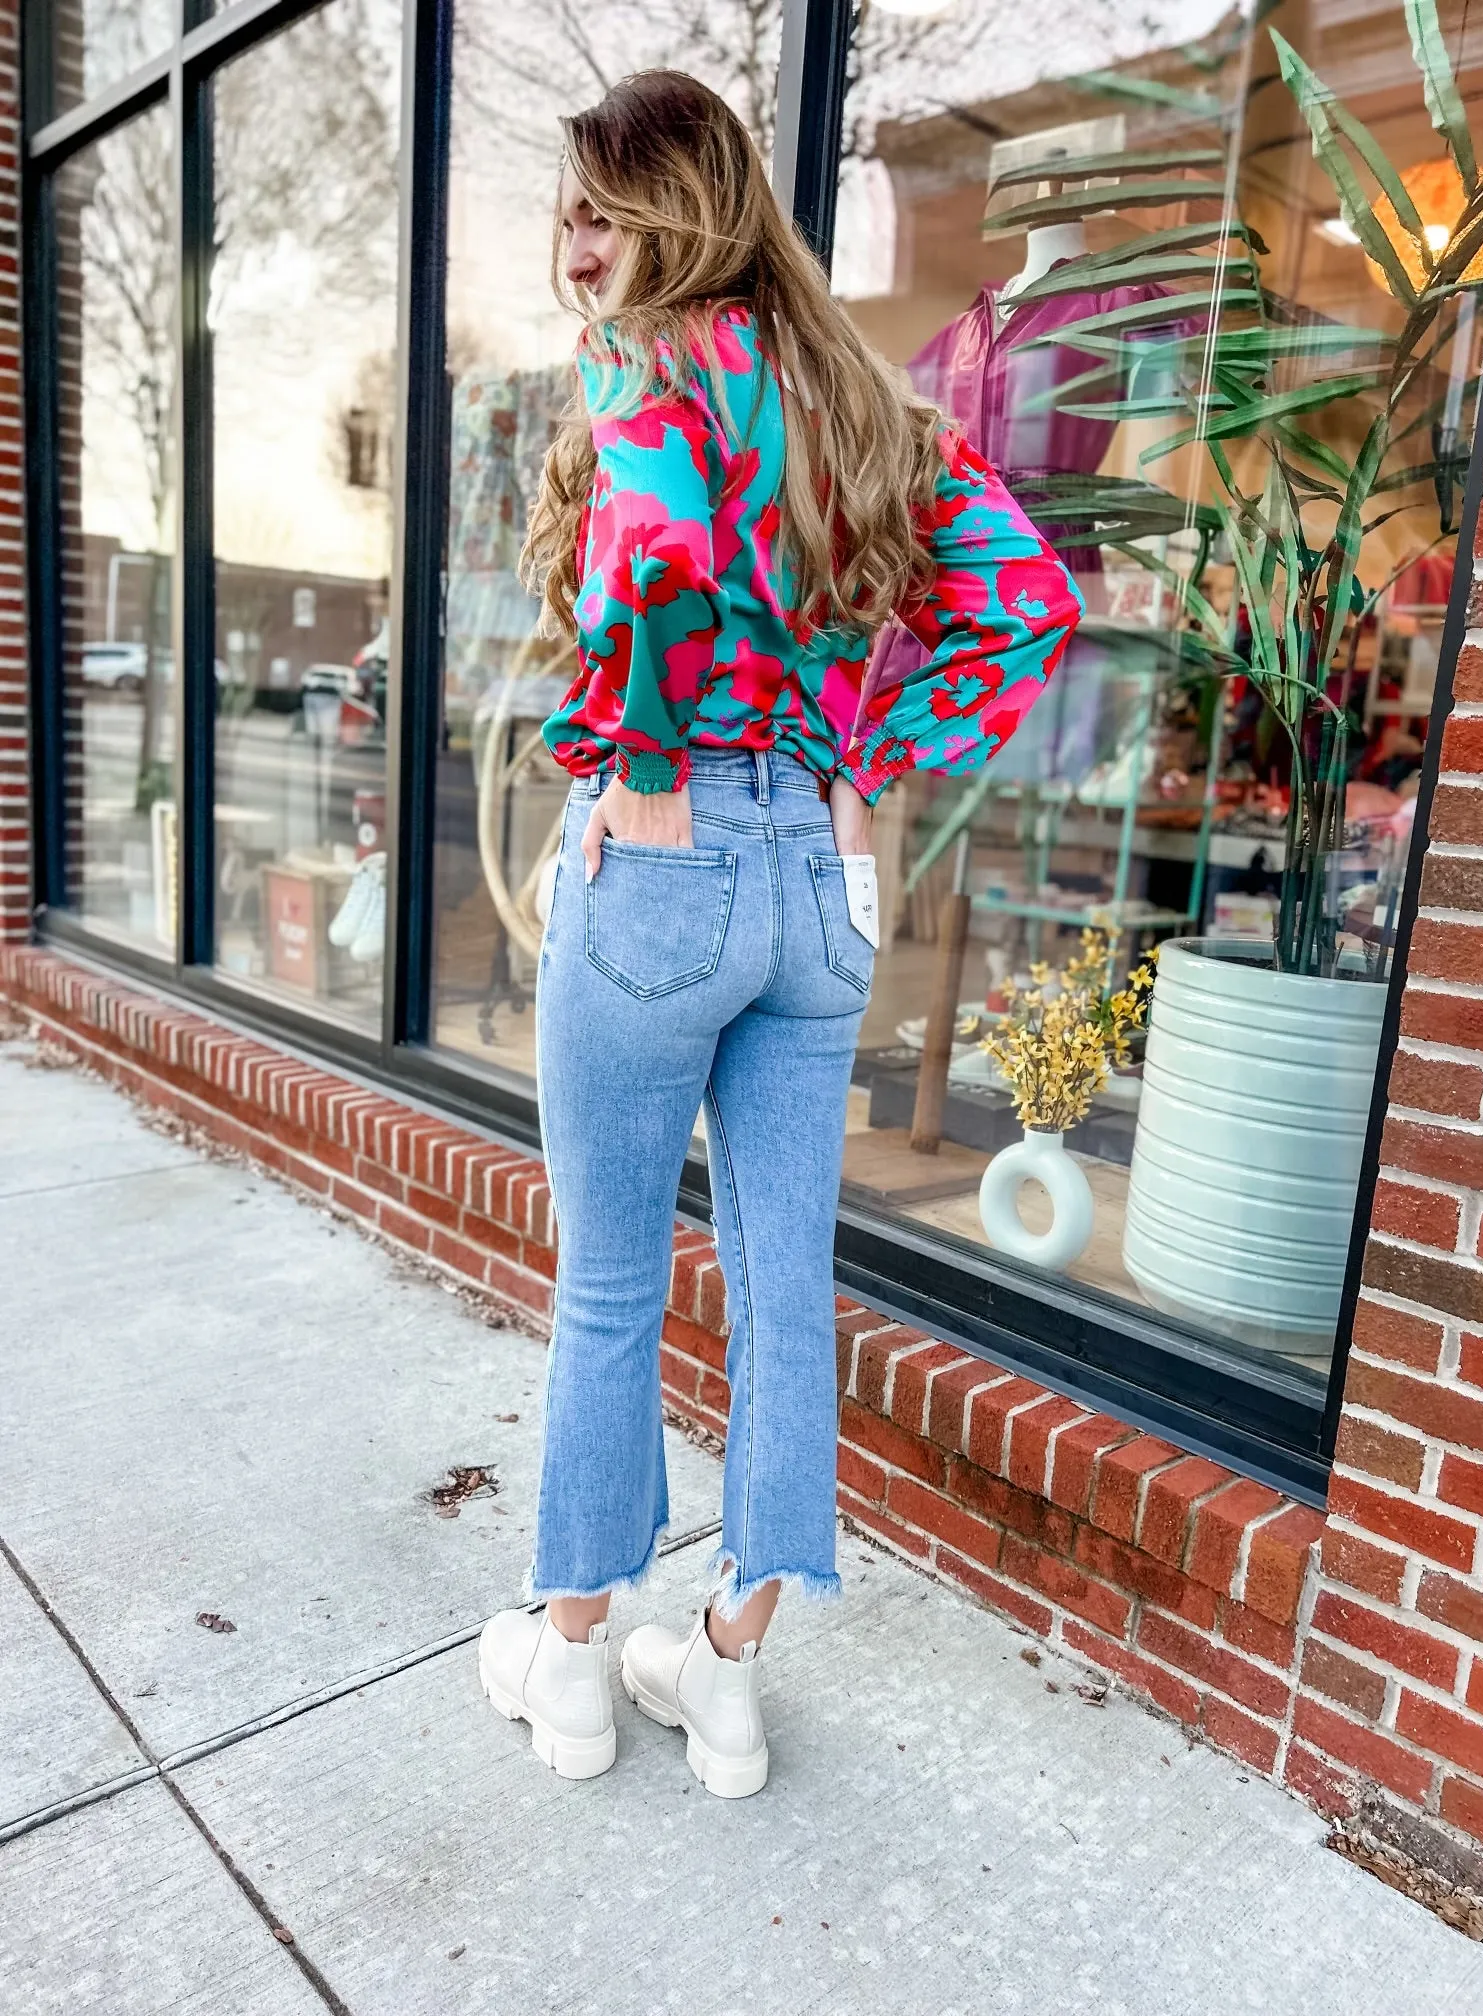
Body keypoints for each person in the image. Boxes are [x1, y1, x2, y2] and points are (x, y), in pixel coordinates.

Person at [478, 70, 1082, 1799]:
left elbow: (657, 558)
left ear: (675, 215)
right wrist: (870, 766)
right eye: (570, 210)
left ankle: (576, 1664)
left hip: (662, 864)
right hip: (814, 887)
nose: (573, 243)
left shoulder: (655, 364)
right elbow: (1025, 598)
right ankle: (726, 1675)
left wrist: (657, 776)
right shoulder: (854, 397)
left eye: (602, 209)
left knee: (607, 1286)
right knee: (781, 1292)